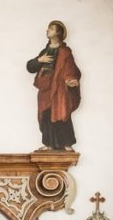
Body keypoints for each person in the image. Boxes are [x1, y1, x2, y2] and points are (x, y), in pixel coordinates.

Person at [26, 20, 82, 150]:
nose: (47, 30)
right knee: (46, 114)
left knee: (61, 113)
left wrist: (71, 80)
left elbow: (72, 70)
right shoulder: (45, 52)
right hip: (45, 88)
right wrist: (39, 60)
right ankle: (48, 144)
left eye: (51, 29)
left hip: (59, 89)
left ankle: (67, 143)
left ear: (58, 33)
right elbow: (30, 67)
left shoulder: (65, 52)